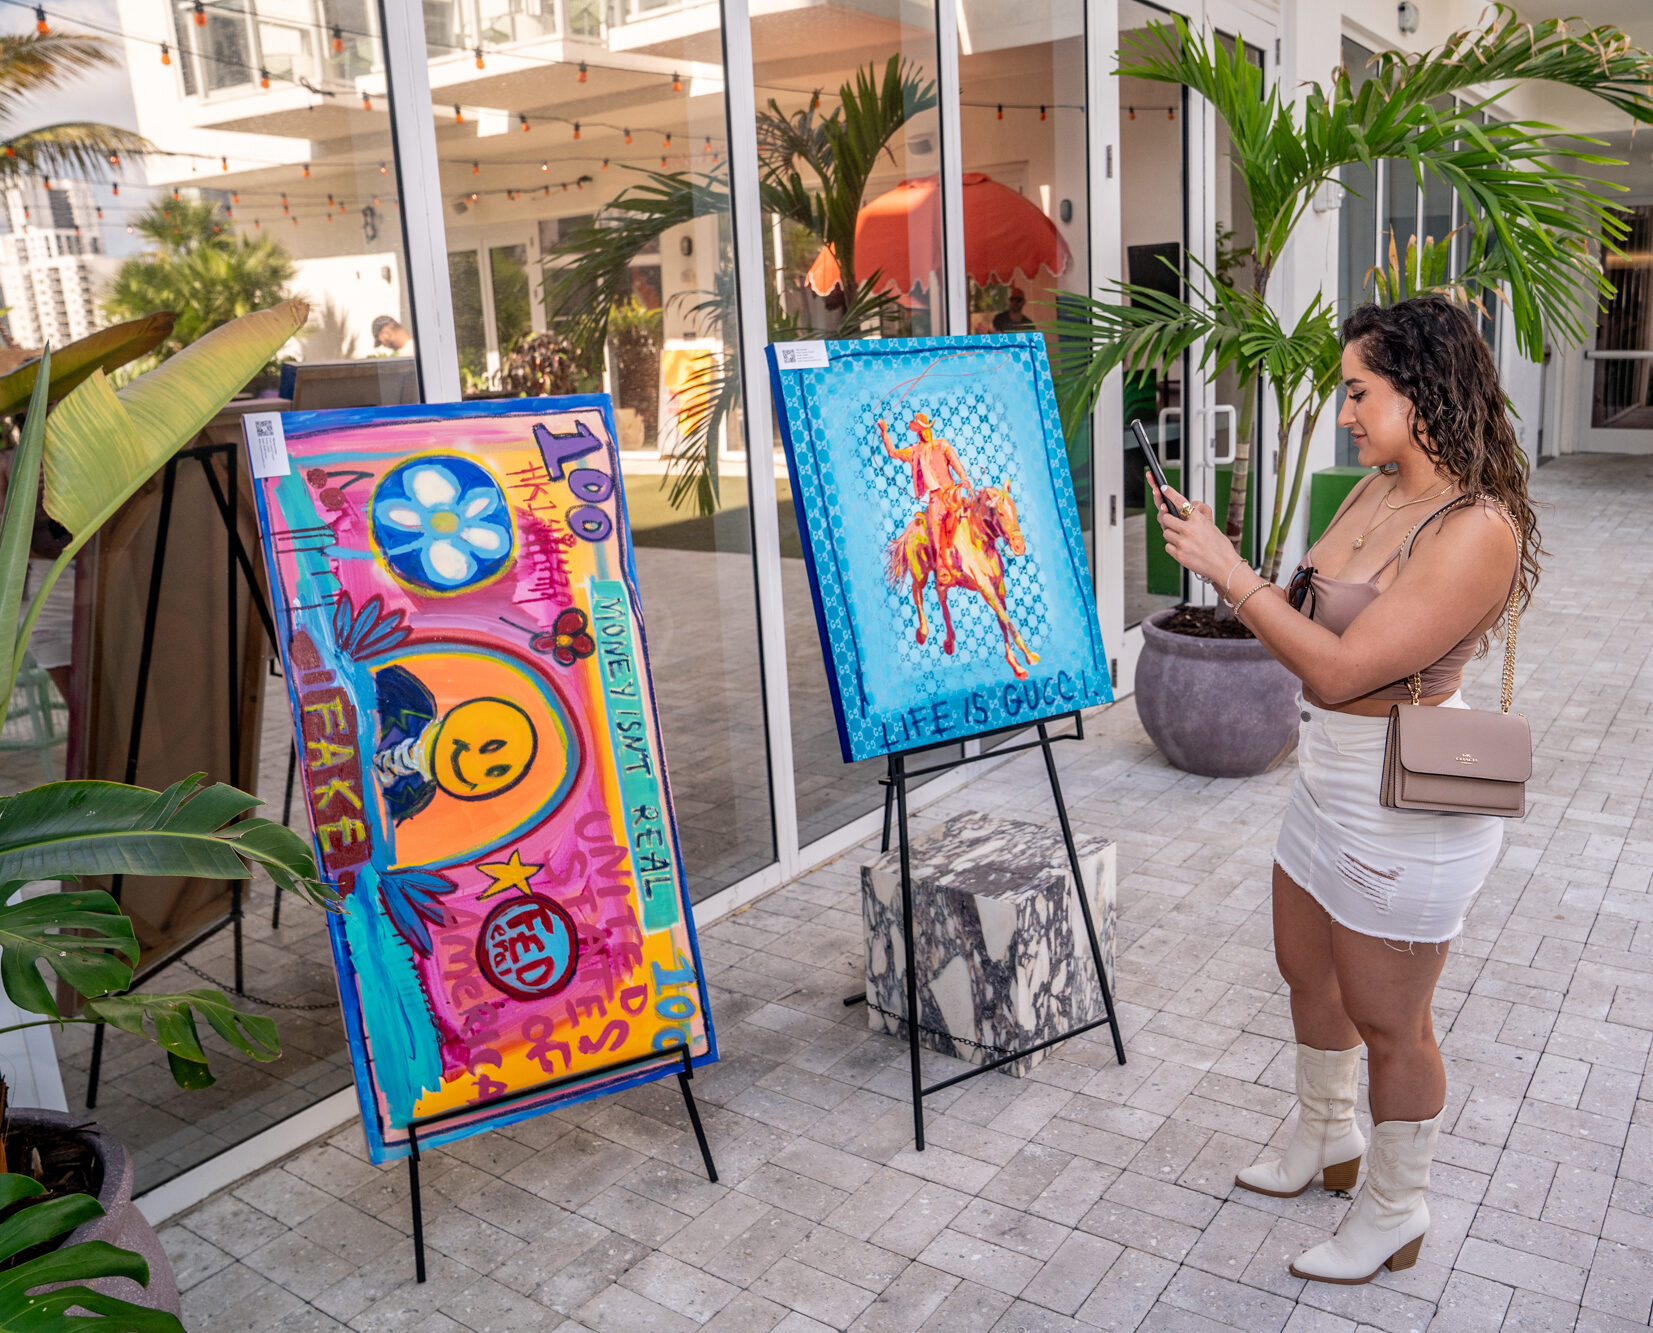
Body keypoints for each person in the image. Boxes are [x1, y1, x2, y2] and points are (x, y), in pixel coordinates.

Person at [1147, 296, 1538, 1286]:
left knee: (1389, 1020)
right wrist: (1232, 558)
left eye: (1361, 392)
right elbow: (1305, 608)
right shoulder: (1375, 487)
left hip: (1405, 802)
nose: (1347, 414)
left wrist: (1227, 577)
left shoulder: (1474, 527)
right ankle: (1327, 1136)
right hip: (1325, 778)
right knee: (1304, 971)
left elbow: (1337, 667)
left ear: (1421, 390)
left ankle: (1398, 1209)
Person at [878, 412, 973, 574]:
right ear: (918, 433)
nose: (927, 432)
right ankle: (942, 565)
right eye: (923, 430)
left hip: (952, 492)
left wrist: (964, 478)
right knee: (936, 529)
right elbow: (893, 453)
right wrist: (884, 433)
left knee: (967, 518)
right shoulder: (914, 451)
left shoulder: (942, 444)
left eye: (928, 429)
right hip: (935, 497)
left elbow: (955, 462)